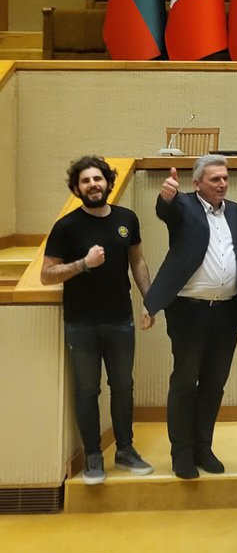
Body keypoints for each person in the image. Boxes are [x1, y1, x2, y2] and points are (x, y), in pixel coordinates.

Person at [41, 156, 155, 484]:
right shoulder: (66, 226)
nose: (93, 185)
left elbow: (138, 261)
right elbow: (47, 275)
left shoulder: (126, 219)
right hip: (81, 323)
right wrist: (83, 264)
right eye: (86, 181)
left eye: (97, 179)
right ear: (77, 189)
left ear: (108, 182)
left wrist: (150, 301)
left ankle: (125, 450)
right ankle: (93, 455)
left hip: (120, 320)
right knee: (87, 390)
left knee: (123, 386)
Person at [144, 155, 237, 479]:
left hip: (226, 312)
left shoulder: (236, 212)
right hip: (189, 312)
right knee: (185, 381)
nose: (222, 184)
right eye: (215, 179)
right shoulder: (183, 206)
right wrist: (166, 197)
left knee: (214, 383)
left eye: (225, 178)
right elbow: (166, 211)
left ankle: (203, 447)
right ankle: (181, 452)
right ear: (197, 184)